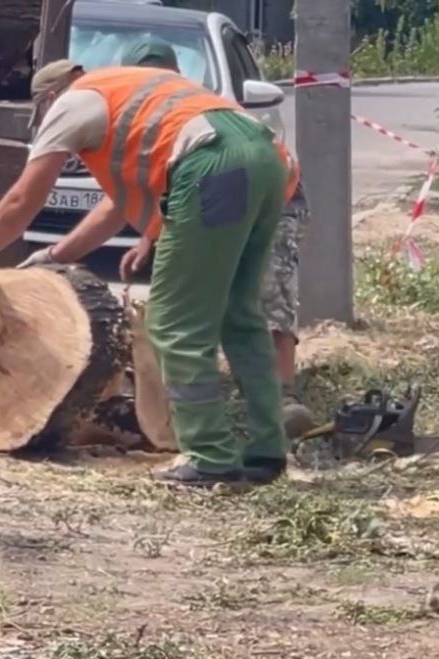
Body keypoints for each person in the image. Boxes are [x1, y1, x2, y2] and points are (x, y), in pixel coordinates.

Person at [0, 59, 291, 487]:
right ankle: (266, 451)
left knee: (174, 322)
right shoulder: (129, 92)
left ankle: (210, 454)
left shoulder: (72, 104)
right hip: (266, 155)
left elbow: (22, 198)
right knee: (240, 315)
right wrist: (56, 253)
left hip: (211, 165)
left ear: (48, 99)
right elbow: (114, 210)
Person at [112, 39, 319, 439]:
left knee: (265, 291)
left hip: (274, 197)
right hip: (216, 199)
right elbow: (168, 186)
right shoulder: (144, 117)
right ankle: (178, 395)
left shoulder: (195, 107)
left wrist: (59, 251)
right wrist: (149, 238)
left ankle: (282, 398)